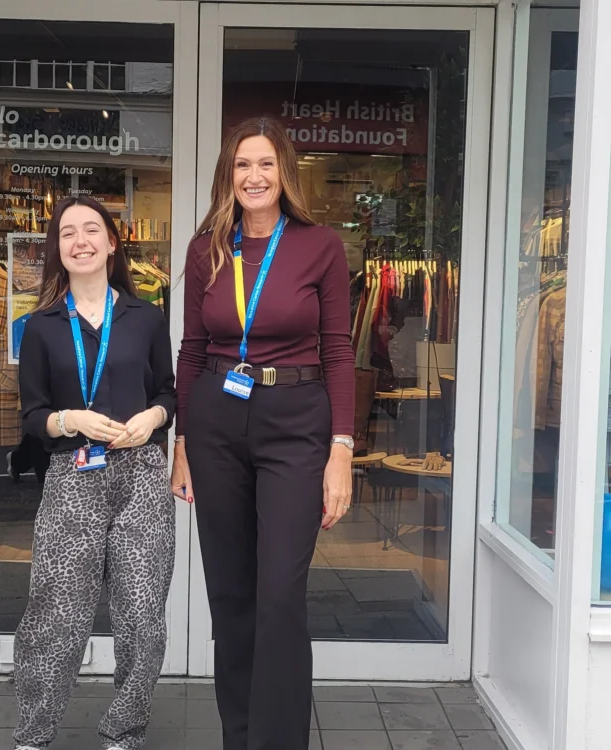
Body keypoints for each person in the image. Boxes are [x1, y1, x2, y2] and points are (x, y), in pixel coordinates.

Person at [171, 117, 356, 749]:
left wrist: (341, 451)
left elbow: (339, 352)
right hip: (217, 418)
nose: (254, 176)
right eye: (243, 165)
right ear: (229, 175)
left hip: (296, 421)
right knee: (230, 592)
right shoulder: (206, 250)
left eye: (267, 164)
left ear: (285, 174)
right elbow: (191, 349)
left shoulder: (321, 245)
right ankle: (238, 737)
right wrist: (184, 444)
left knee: (279, 593)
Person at [13, 196, 177, 750]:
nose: (80, 240)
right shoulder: (40, 327)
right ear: (58, 249)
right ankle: (33, 734)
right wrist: (70, 418)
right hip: (73, 475)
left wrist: (154, 417)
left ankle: (124, 733)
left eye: (91, 230)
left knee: (141, 614)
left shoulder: (146, 317)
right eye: (67, 233)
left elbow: (168, 392)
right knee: (54, 613)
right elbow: (32, 415)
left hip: (143, 475)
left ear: (112, 242)